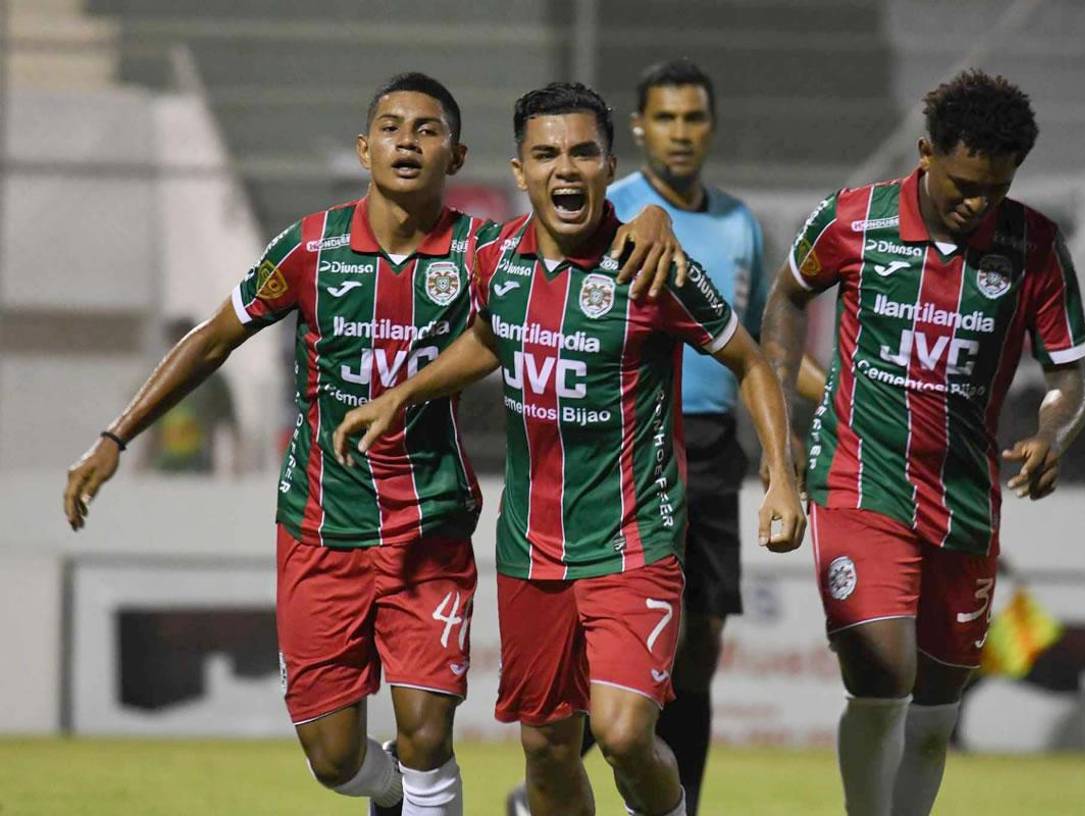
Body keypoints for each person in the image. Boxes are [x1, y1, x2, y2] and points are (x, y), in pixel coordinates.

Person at [61, 72, 684, 816]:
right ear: (365, 149)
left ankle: (418, 788)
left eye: (428, 130)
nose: (407, 142)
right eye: (392, 128)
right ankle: (386, 793)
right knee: (333, 760)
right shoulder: (310, 248)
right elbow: (213, 339)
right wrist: (116, 436)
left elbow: (575, 230)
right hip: (320, 529)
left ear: (456, 156)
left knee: (426, 736)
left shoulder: (484, 253)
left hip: (430, 528)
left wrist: (653, 218)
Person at [334, 81, 806, 816]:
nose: (565, 169)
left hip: (634, 542)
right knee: (548, 751)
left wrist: (780, 476)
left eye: (584, 153)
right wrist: (404, 394)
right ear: (519, 170)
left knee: (622, 734)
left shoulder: (652, 266)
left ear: (609, 166)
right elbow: (488, 338)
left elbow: (749, 362)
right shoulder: (496, 260)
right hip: (530, 550)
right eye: (546, 154)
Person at [760, 69, 1085, 816]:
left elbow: (1068, 374)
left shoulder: (1033, 245)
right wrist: (780, 443)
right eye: (965, 185)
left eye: (997, 189)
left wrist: (1051, 433)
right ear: (925, 154)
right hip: (857, 477)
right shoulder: (852, 220)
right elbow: (785, 298)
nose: (978, 203)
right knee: (884, 672)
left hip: (964, 498)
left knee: (937, 716)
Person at [141, 316, 241, 475]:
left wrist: (237, 463)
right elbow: (152, 429)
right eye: (175, 343)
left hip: (200, 466)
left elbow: (231, 422)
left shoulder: (212, 378)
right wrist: (142, 465)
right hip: (165, 467)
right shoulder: (161, 379)